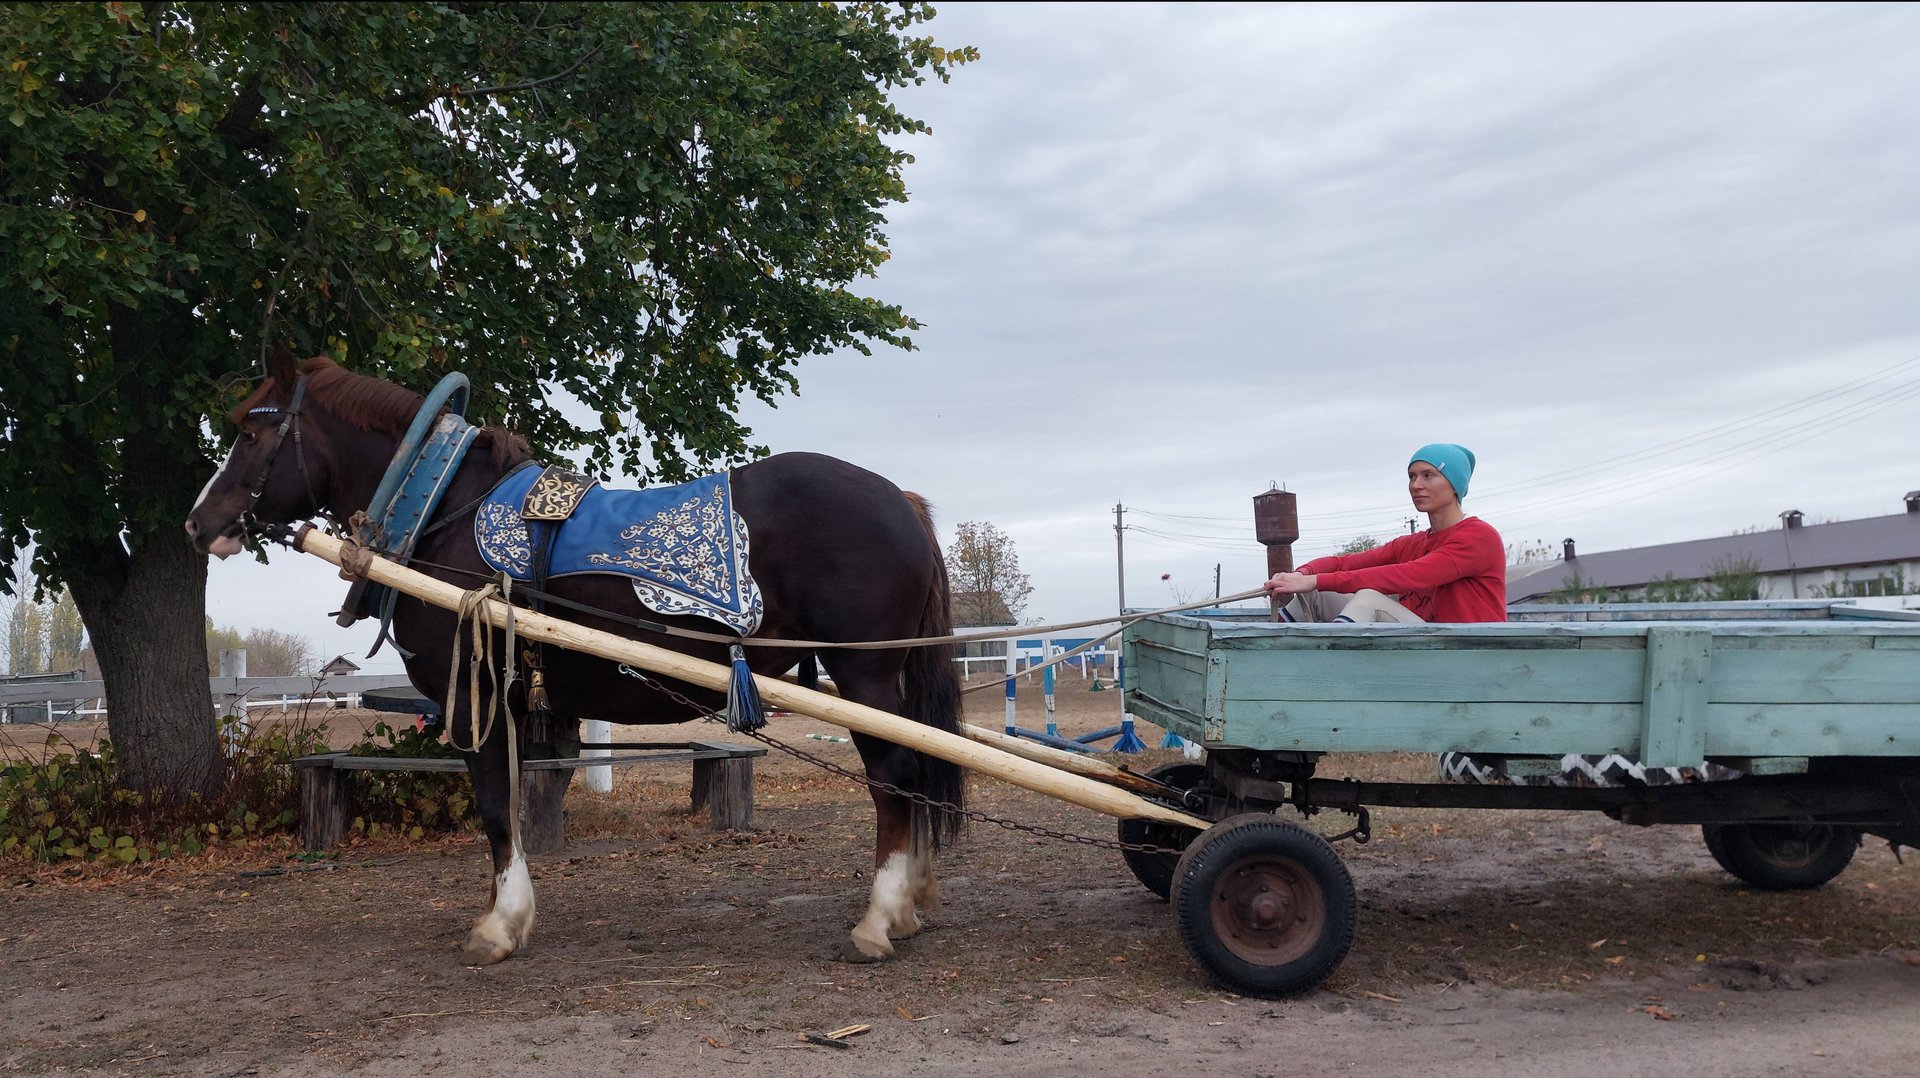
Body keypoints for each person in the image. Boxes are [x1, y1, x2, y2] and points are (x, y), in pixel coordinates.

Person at [1263, 443, 1506, 624]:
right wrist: (1300, 575)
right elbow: (1344, 562)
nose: (1416, 485)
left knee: (1369, 599)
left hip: (1470, 652)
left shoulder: (1479, 537)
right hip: (1428, 647)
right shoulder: (1411, 544)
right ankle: (1262, 665)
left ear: (1455, 485)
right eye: (1412, 476)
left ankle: (1334, 678)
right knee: (1318, 594)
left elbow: (1408, 575)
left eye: (1428, 475)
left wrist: (1314, 579)